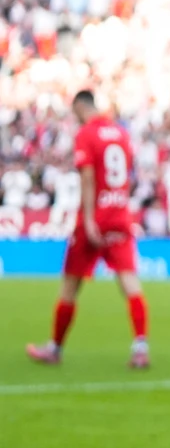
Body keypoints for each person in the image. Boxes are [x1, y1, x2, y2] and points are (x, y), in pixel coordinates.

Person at [25, 90, 150, 369]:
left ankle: (55, 348)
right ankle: (140, 347)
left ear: (80, 107)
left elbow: (88, 177)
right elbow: (127, 175)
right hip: (120, 214)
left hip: (94, 218)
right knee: (129, 282)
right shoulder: (121, 133)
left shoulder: (86, 134)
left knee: (70, 284)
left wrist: (91, 219)